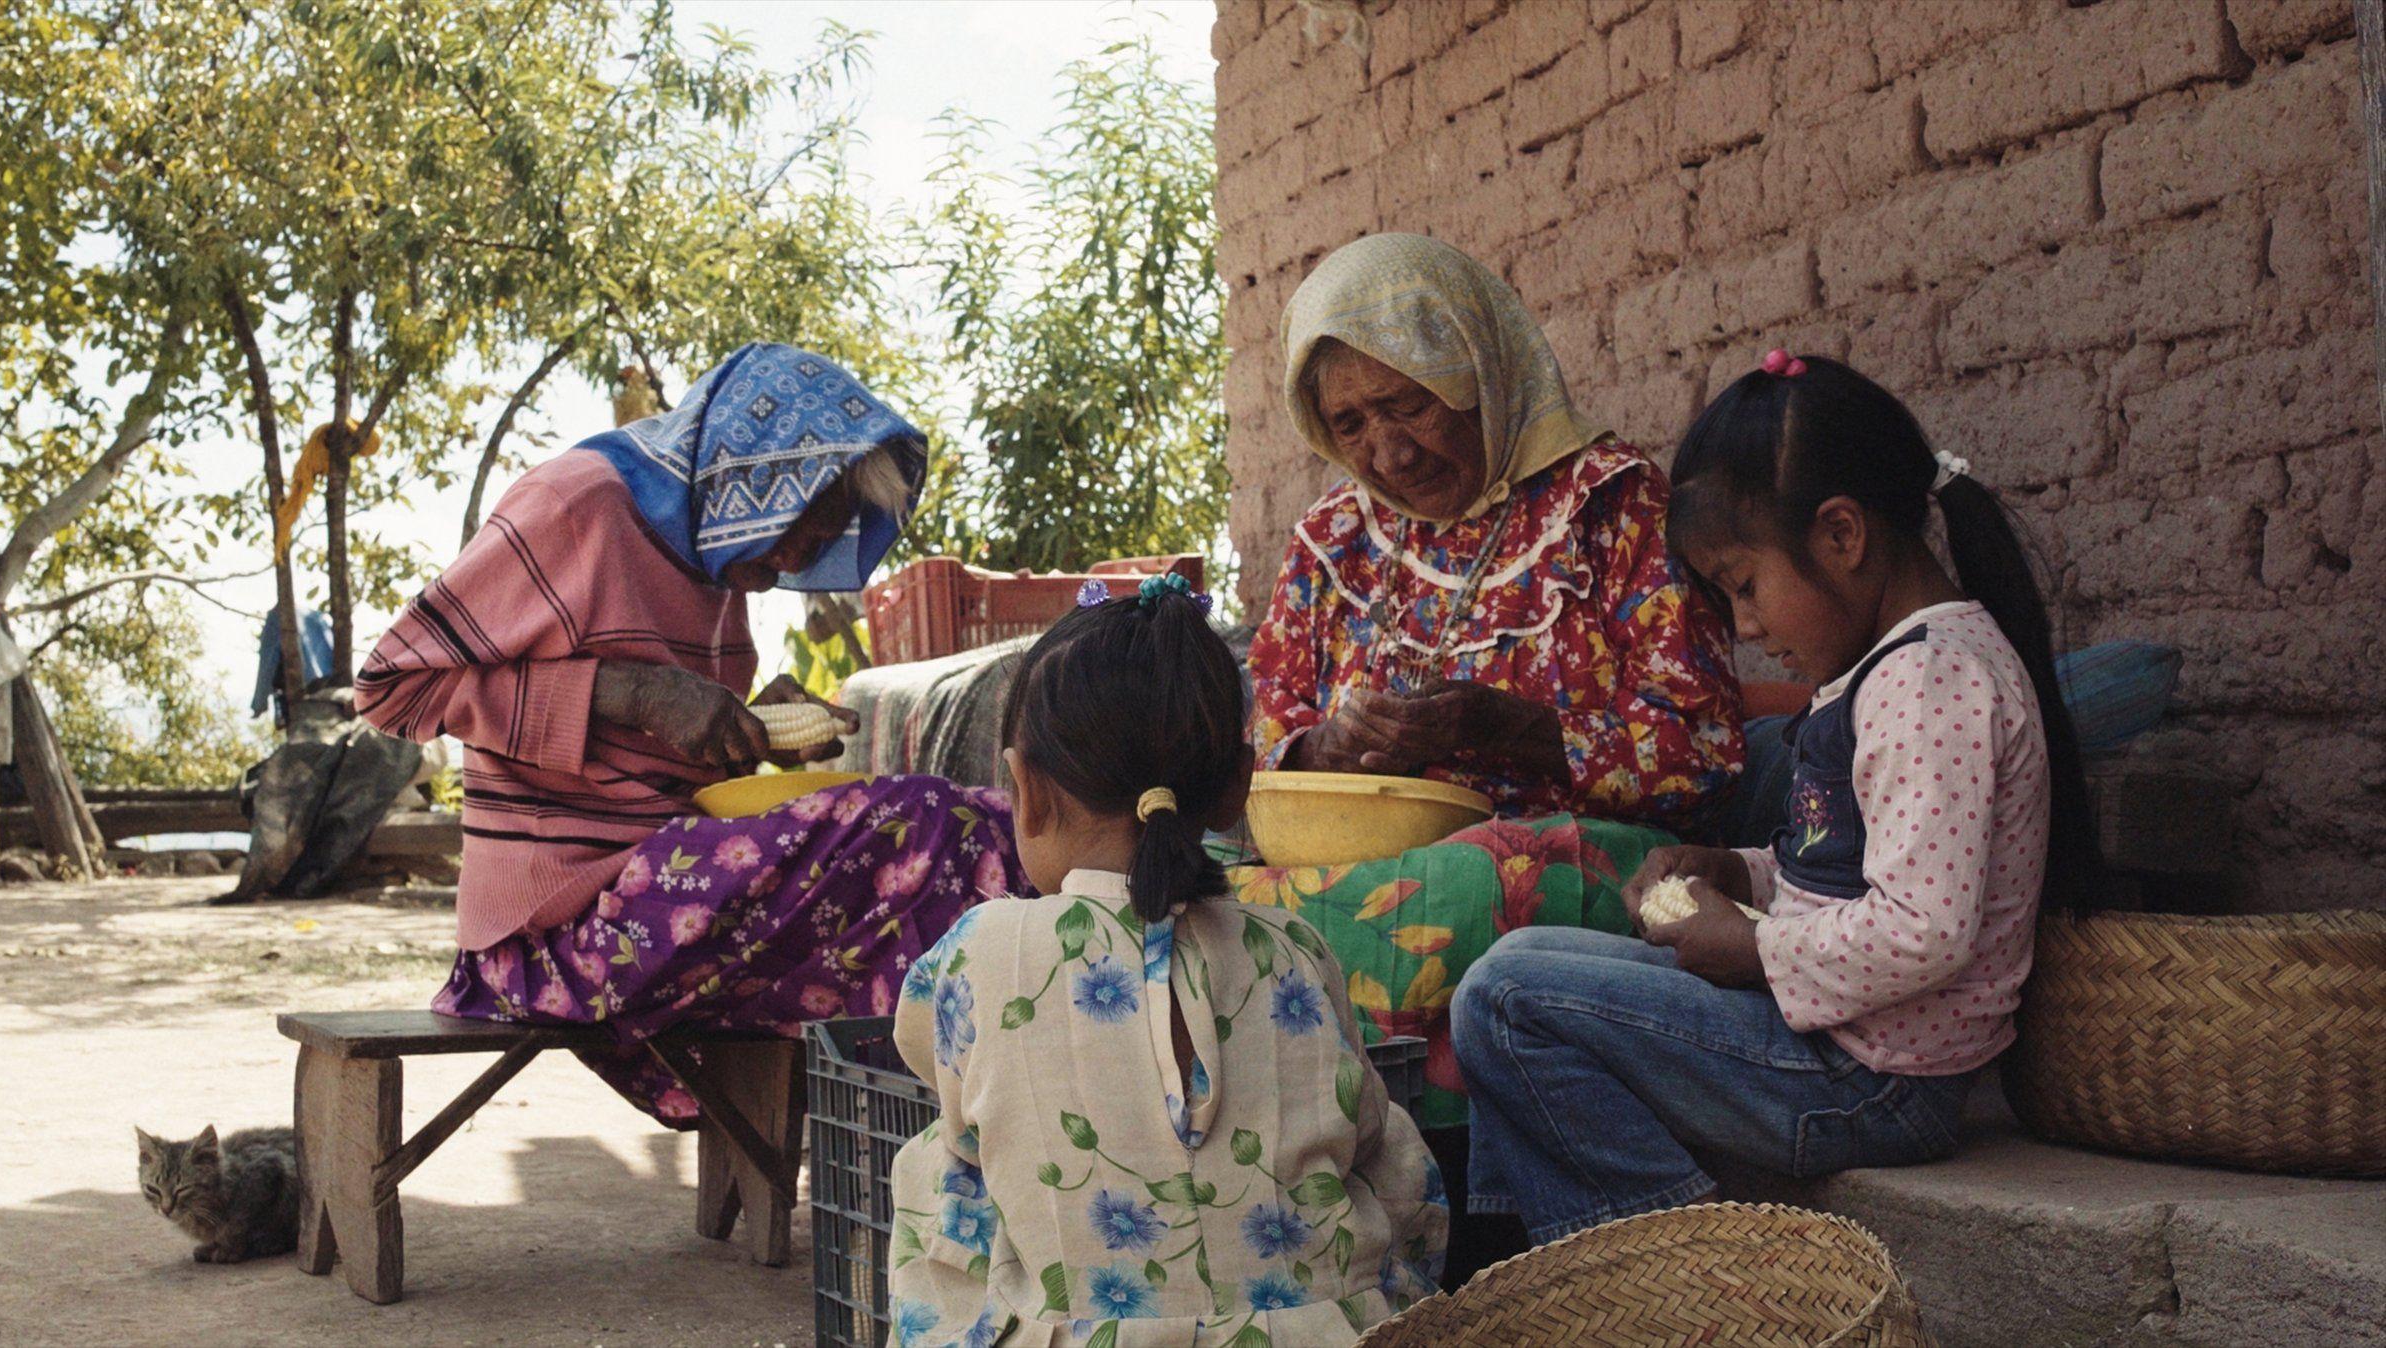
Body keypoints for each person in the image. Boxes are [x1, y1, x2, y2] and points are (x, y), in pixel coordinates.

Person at [1452, 350, 2102, 1245]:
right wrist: (1740, 873)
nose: (1747, 627)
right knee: (1518, 957)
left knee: (1505, 999)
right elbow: (1846, 863)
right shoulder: (1887, 670)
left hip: (1871, 1082)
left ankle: (1669, 1269)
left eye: (1745, 587)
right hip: (1834, 1044)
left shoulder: (1931, 682)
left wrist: (1752, 948)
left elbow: (1924, 929)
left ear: (1841, 536)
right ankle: (1574, 1255)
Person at [356, 343, 1022, 1127]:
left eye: (819, 543)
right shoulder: (576, 508)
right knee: (924, 823)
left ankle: (942, 1139)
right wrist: (632, 691)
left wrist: (750, 727)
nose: (795, 559)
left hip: (664, 894)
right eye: (798, 528)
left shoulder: (716, 555)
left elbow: (657, 758)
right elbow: (391, 688)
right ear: (753, 478)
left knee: (975, 836)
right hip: (551, 939)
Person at [1234, 234, 1742, 1129]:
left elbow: (1706, 758)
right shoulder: (1331, 542)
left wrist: (1508, 729)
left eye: (1408, 405)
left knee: (1482, 879)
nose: (1389, 453)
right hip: (1368, 867)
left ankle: (1376, 1100)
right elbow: (1263, 754)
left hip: (1617, 870)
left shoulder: (1611, 506)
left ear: (1477, 368)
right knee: (1186, 877)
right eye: (1350, 425)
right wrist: (1329, 749)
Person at [888, 575, 1447, 1346]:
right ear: (1238, 786)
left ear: (1026, 790)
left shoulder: (982, 952)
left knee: (942, 1159)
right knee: (1385, 1148)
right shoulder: (1297, 948)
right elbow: (1390, 1169)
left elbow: (926, 1052)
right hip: (1326, 1333)